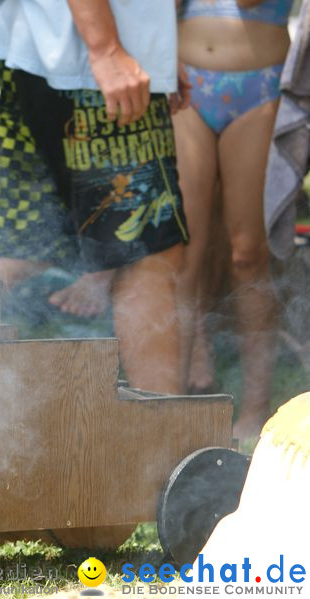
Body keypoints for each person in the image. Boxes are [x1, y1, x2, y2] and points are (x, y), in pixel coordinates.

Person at [0, 0, 192, 394]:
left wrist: (154, 47)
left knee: (10, 247)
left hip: (49, 54)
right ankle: (165, 439)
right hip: (88, 67)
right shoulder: (101, 53)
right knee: (147, 254)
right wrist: (107, 49)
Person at [174, 0, 291, 439]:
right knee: (184, 250)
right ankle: (171, 404)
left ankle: (256, 411)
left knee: (248, 253)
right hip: (186, 81)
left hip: (260, 87)